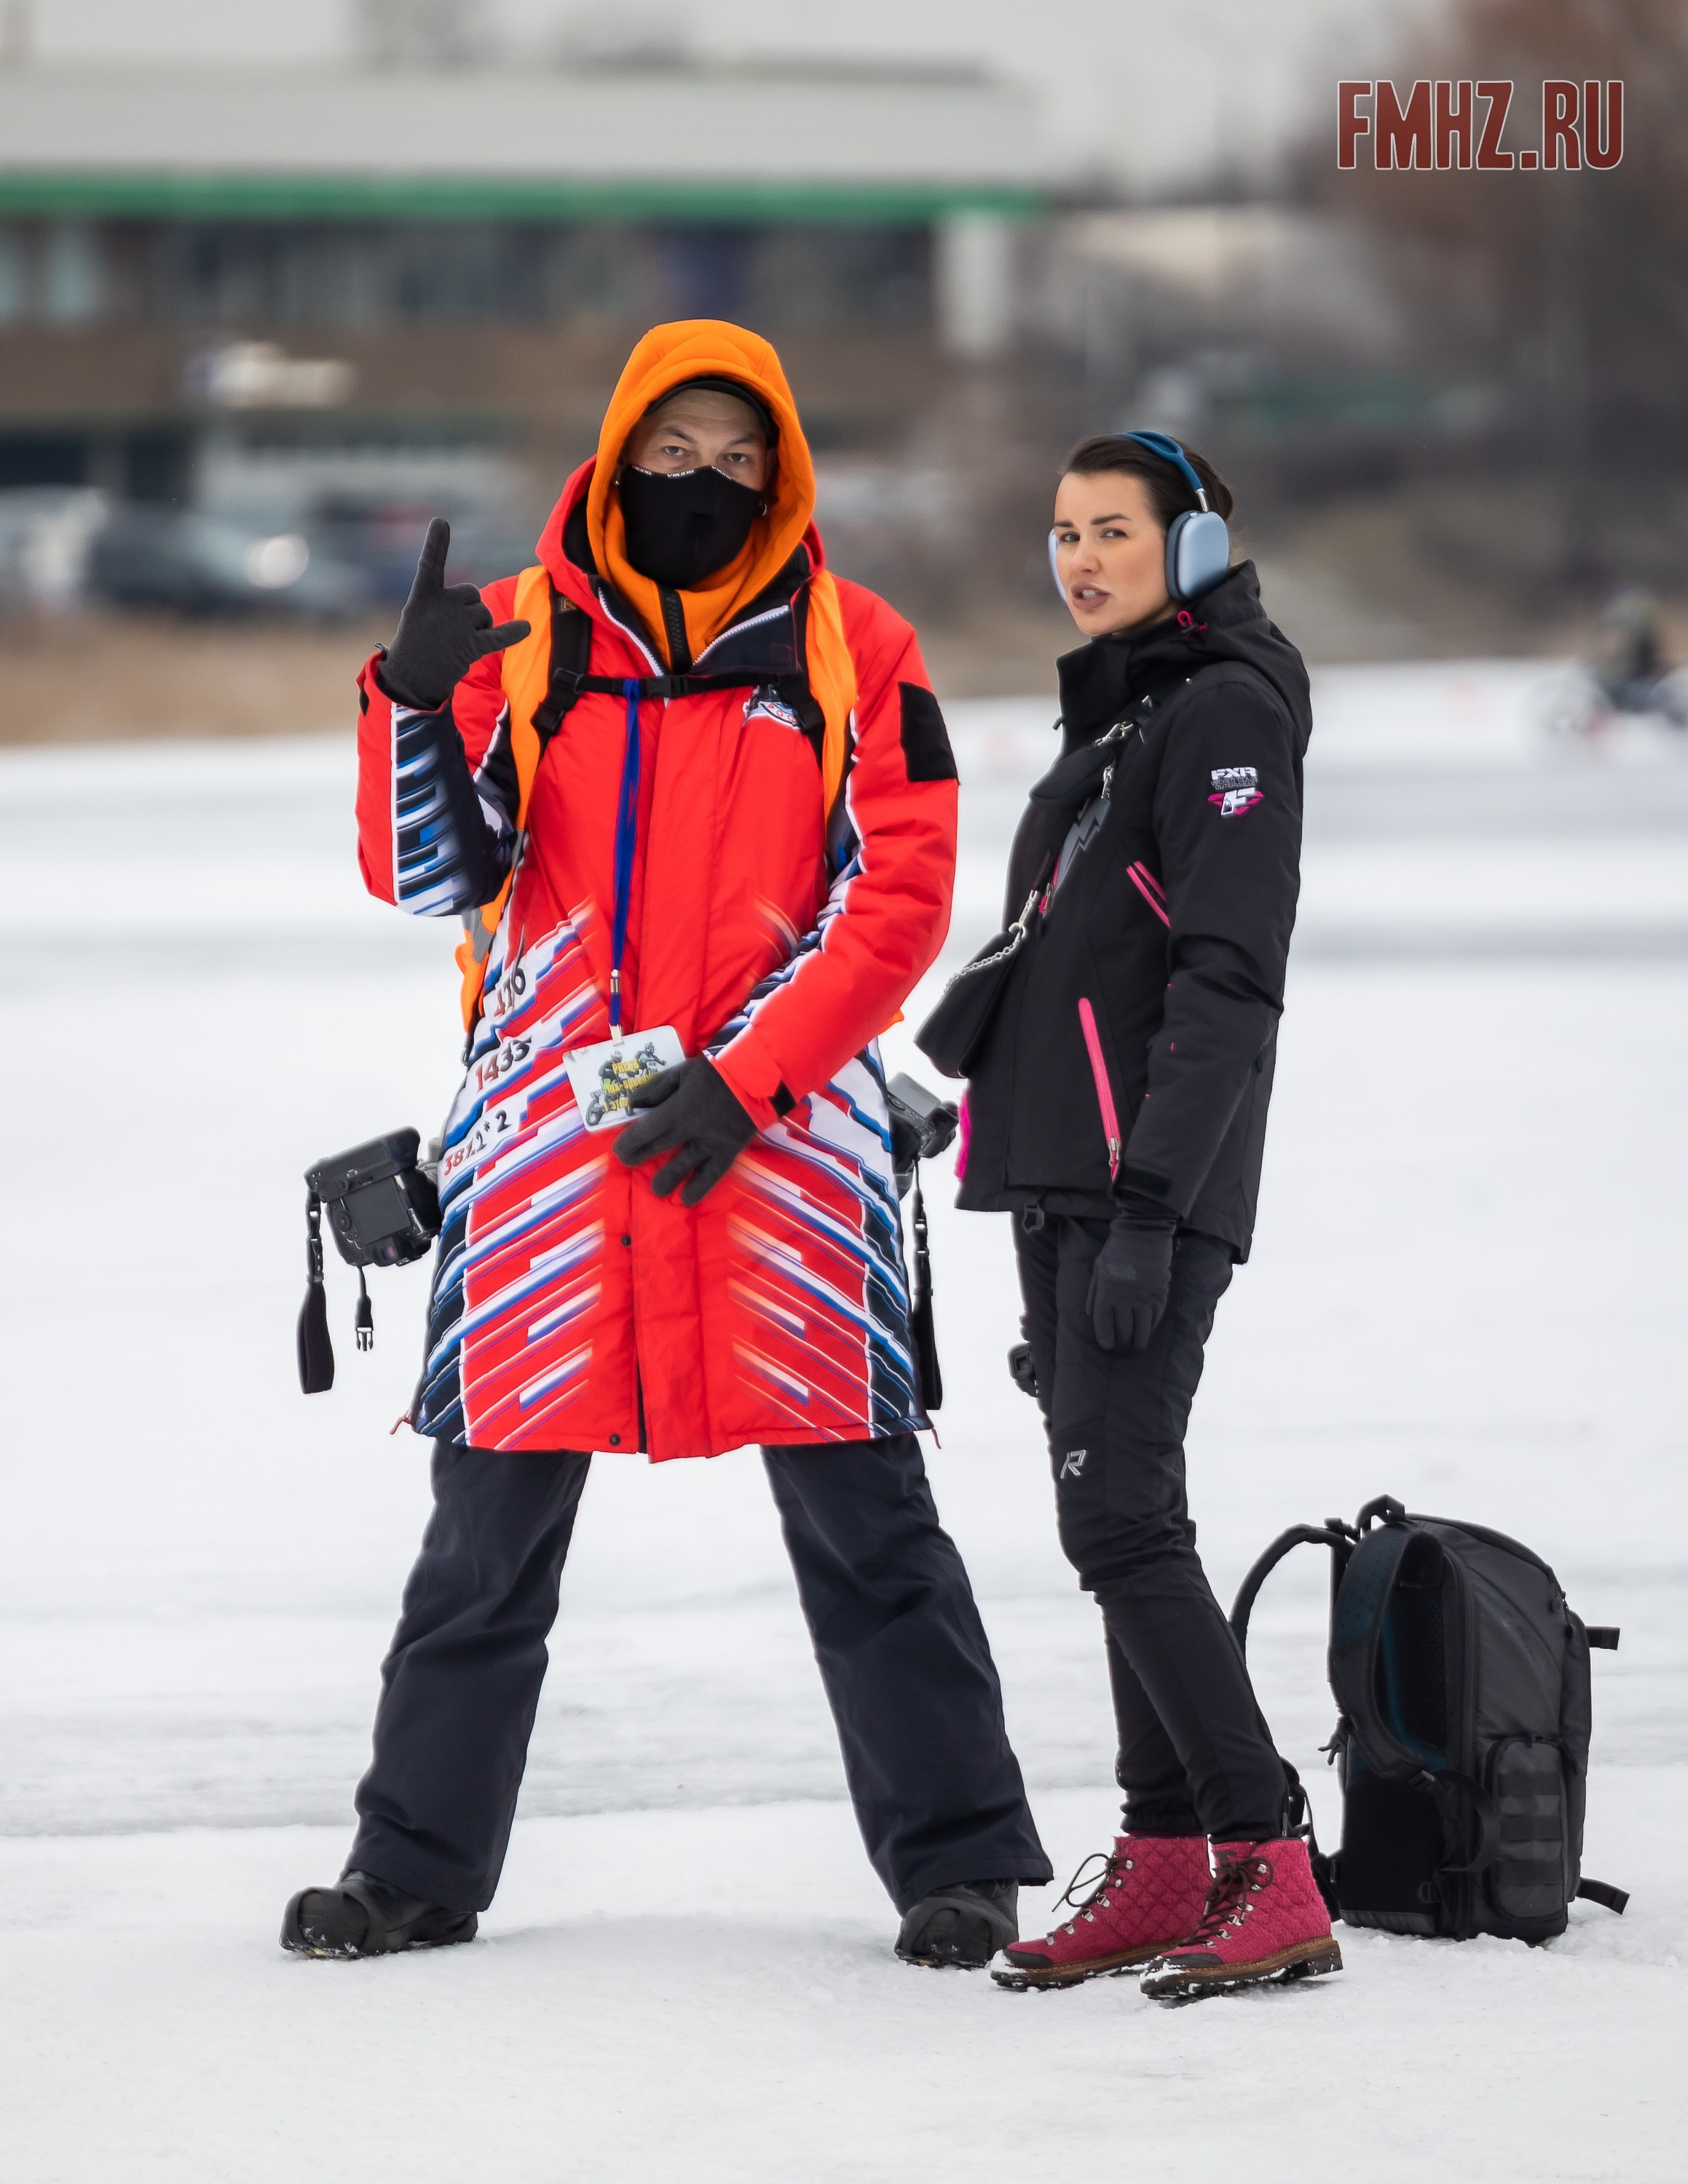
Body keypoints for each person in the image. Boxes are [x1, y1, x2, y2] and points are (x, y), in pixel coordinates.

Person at [282, 320, 1050, 1966]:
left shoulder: (858, 648)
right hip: (549, 1168)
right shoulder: (515, 640)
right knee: (481, 1549)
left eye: (736, 457)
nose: (702, 481)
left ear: (782, 472)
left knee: (871, 1533)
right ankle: (409, 1871)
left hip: (789, 1162)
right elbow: (428, 877)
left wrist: (749, 1080)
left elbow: (898, 898)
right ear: (621, 452)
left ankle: (961, 1867)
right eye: (673, 452)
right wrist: (403, 703)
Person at [953, 432, 1340, 2003]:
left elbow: (1227, 983)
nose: (1081, 558)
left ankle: (1268, 1859)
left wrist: (1150, 1211)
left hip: (1144, 1191)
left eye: (1114, 530)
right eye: (1063, 532)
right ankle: (1167, 1854)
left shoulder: (1225, 710)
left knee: (1121, 1523)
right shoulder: (1124, 713)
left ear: (1193, 545)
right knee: (1113, 1519)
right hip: (1063, 1180)